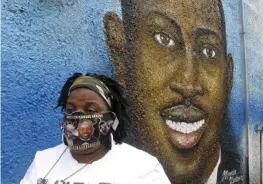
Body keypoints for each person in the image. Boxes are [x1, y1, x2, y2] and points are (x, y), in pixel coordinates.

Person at [103, 0, 244, 183]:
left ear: (229, 77)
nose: (188, 84)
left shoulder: (239, 169)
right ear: (120, 53)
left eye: (209, 51)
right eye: (164, 39)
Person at [20, 73, 171, 184]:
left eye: (91, 110)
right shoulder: (43, 161)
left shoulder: (142, 167)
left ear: (110, 120)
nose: (78, 117)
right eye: (71, 110)